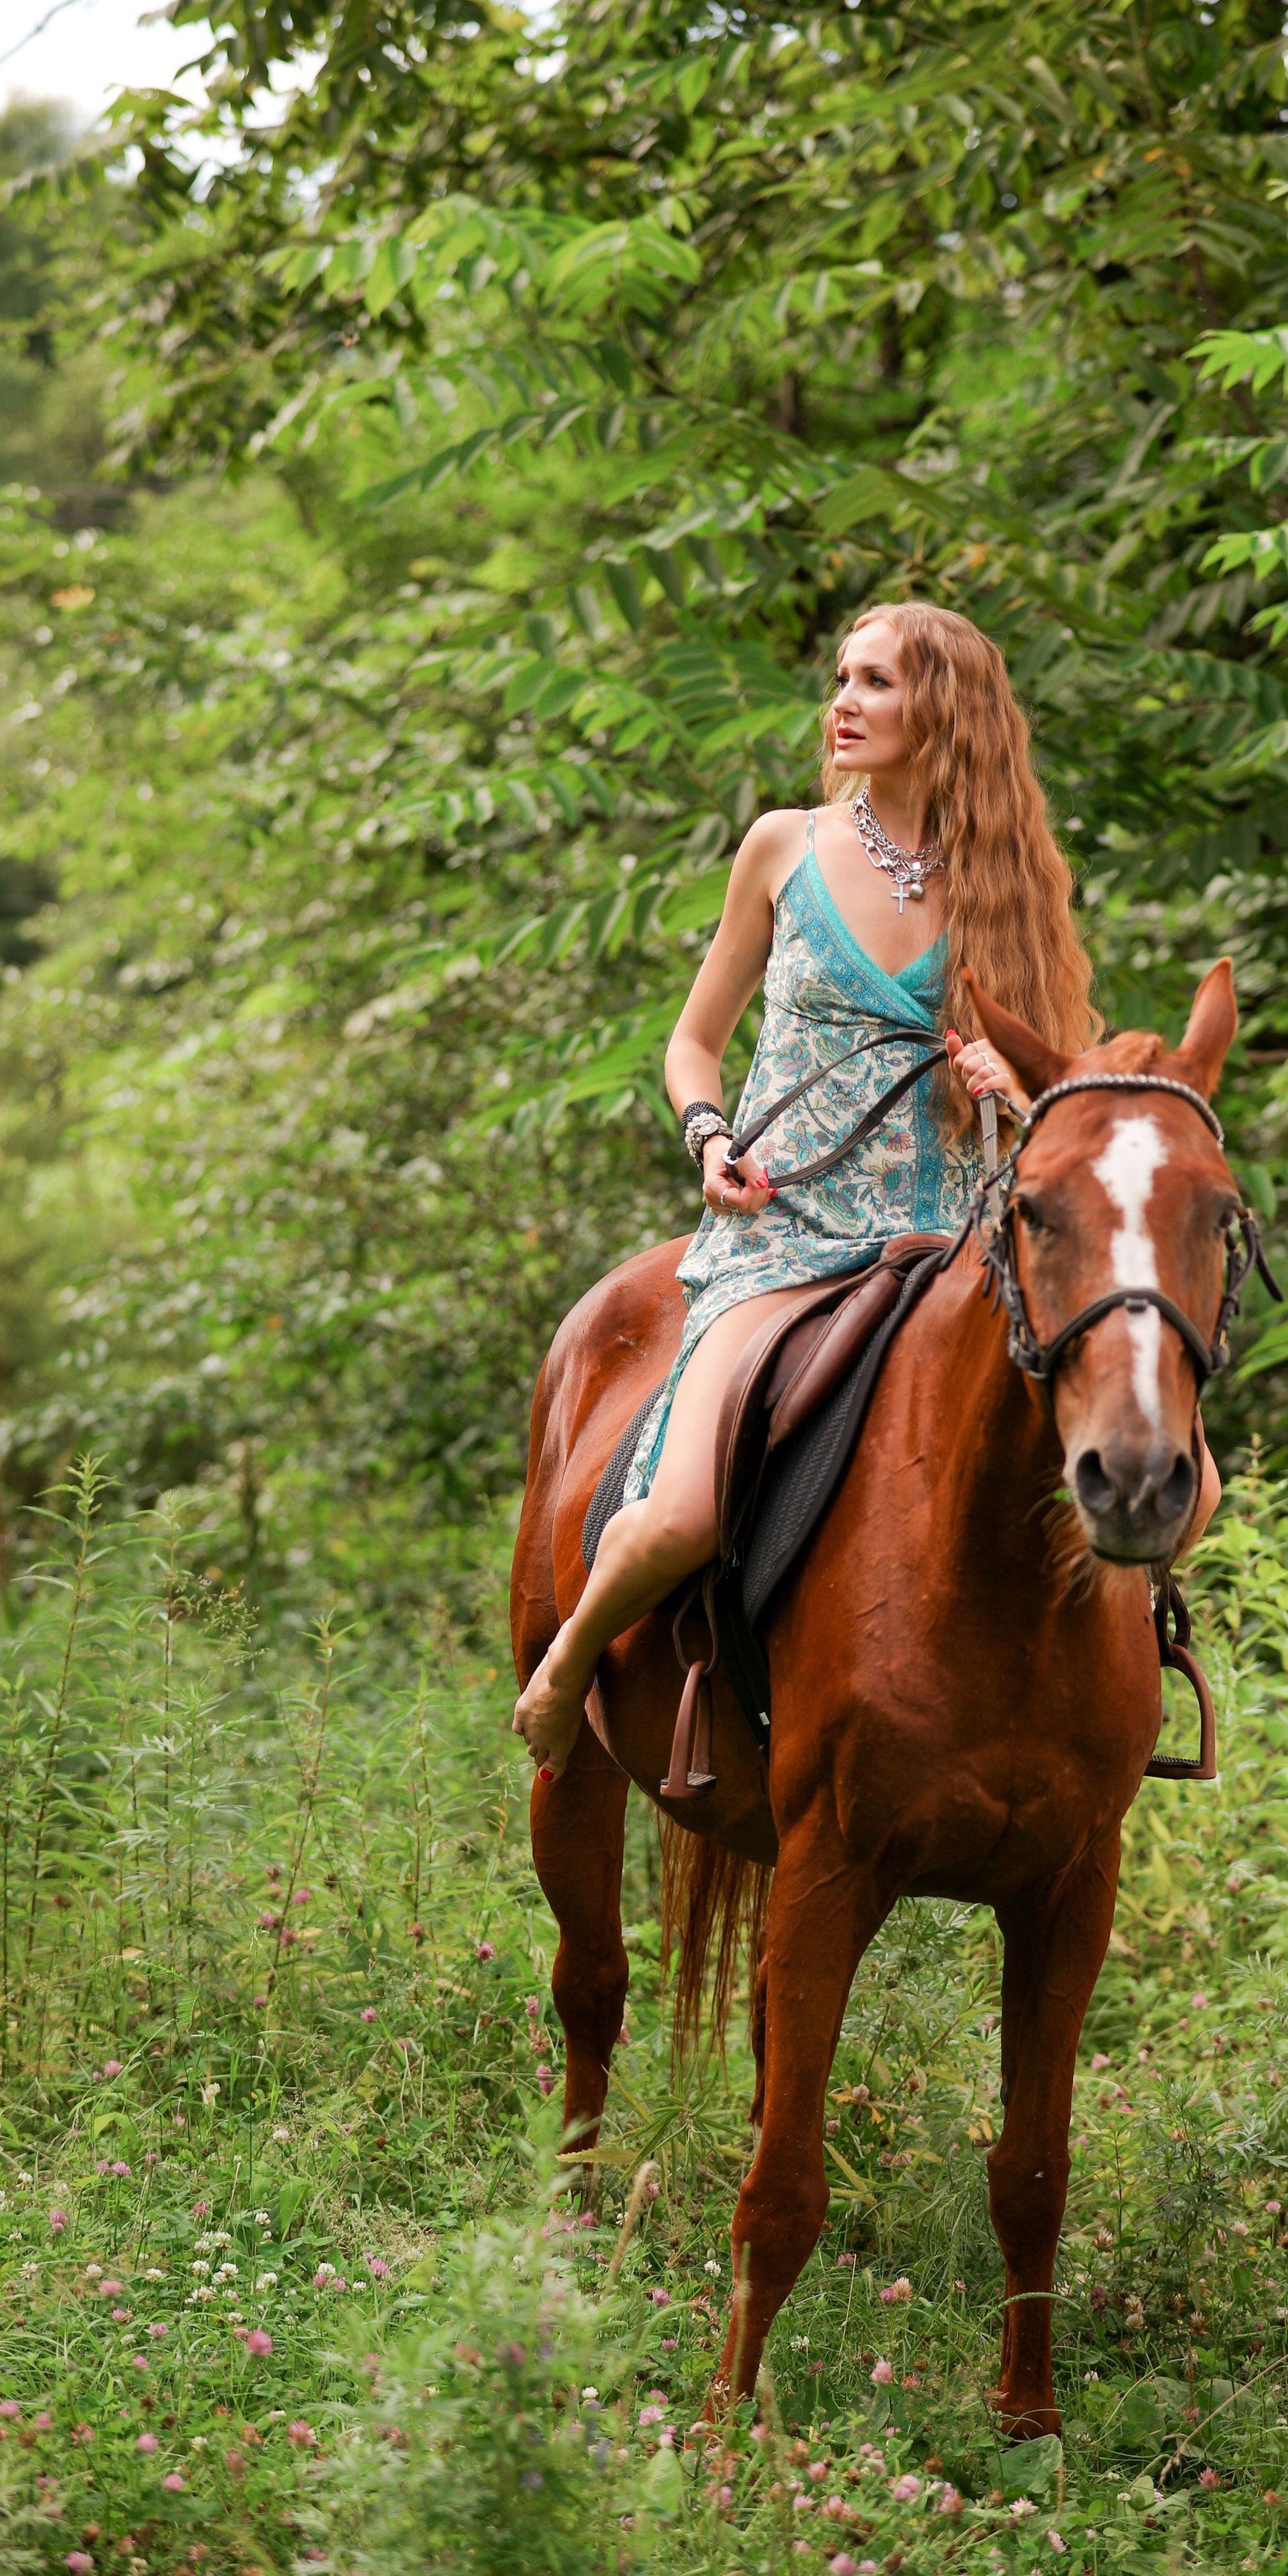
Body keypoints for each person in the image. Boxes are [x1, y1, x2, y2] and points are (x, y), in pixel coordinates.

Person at [514, 600, 1218, 1777]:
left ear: (940, 709)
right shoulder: (781, 848)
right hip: (784, 1237)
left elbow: (1071, 1101)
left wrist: (1010, 1071)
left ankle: (1110, 1709)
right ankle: (575, 1654)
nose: (843, 702)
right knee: (684, 1511)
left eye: (876, 682)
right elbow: (694, 1045)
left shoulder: (1012, 883)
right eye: (843, 677)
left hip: (949, 1244)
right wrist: (708, 1137)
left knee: (1188, 1485)